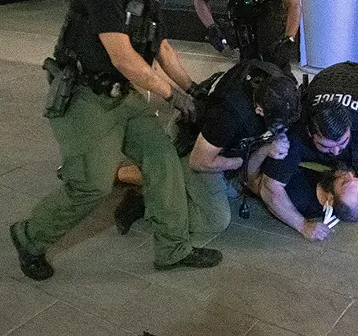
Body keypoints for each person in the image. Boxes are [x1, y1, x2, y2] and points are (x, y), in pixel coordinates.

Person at [9, 0, 223, 281]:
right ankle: (29, 237)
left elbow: (162, 49)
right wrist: (173, 96)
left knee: (163, 160)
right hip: (84, 97)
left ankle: (173, 249)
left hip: (123, 96)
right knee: (91, 185)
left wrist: (192, 88)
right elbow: (124, 58)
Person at [113, 59, 301, 235]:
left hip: (223, 143)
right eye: (275, 123)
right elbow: (199, 161)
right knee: (215, 219)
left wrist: (268, 145)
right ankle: (145, 202)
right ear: (259, 109)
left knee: (233, 191)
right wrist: (236, 162)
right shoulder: (229, 115)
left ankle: (138, 172)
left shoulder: (279, 84)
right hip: (194, 145)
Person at [247, 62, 358, 241]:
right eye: (326, 146)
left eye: (342, 143)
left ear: (349, 128)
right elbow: (269, 187)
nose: (334, 151)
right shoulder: (297, 131)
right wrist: (302, 225)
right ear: (311, 134)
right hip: (329, 76)